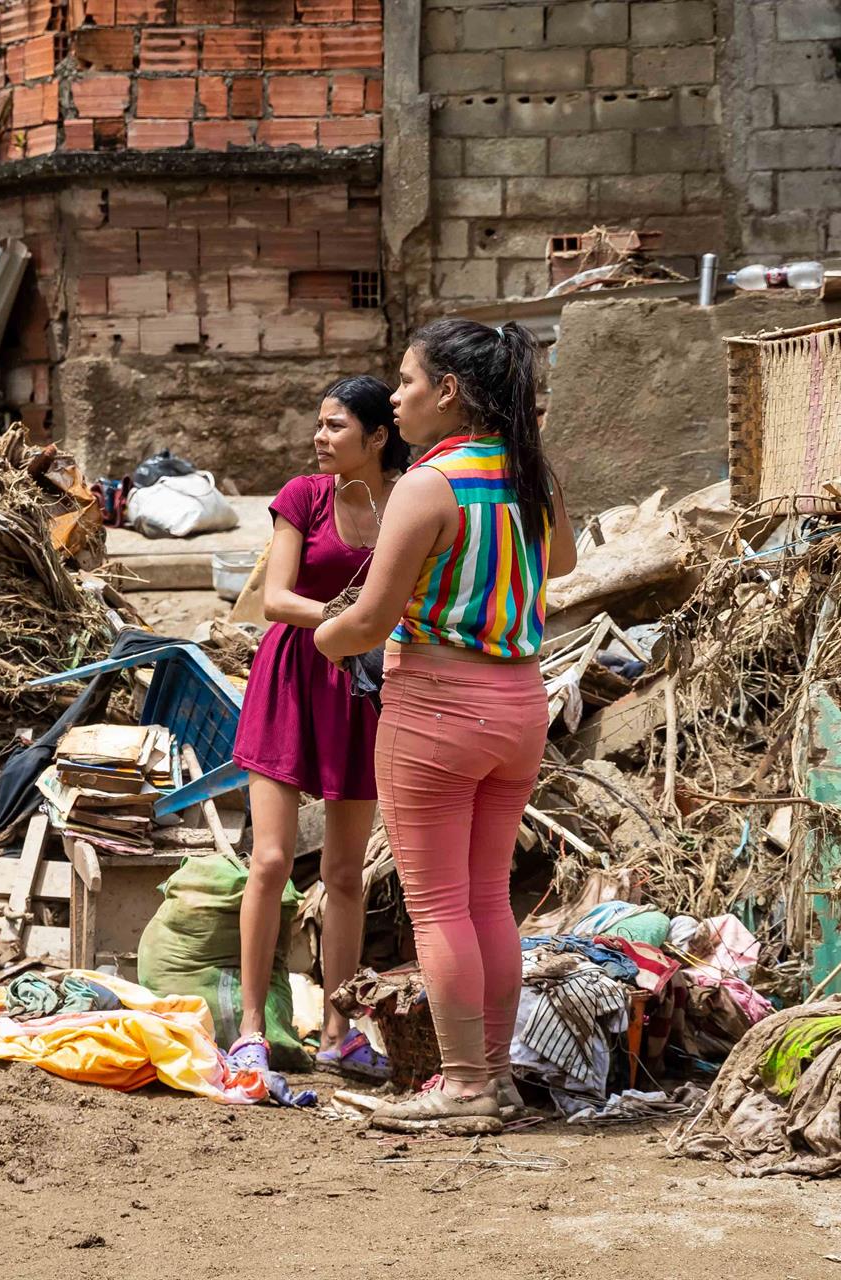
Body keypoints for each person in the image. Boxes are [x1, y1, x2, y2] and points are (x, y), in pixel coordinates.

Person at [316, 320, 578, 1130]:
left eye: (406, 382)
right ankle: (493, 1077)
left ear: (448, 392)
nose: (395, 398)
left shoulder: (428, 485)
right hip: (520, 705)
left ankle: (463, 1084)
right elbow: (562, 563)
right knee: (486, 900)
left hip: (436, 708)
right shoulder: (530, 474)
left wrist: (320, 638)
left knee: (437, 908)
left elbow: (367, 620)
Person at [227, 375, 406, 1083]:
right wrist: (350, 613)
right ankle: (248, 1029)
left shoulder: (408, 501)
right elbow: (274, 597)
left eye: (336, 426)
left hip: (362, 689)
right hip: (293, 678)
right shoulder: (303, 496)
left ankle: (339, 1030)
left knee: (344, 876)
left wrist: (370, 626)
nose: (320, 437)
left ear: (378, 437)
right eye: (320, 424)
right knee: (269, 862)